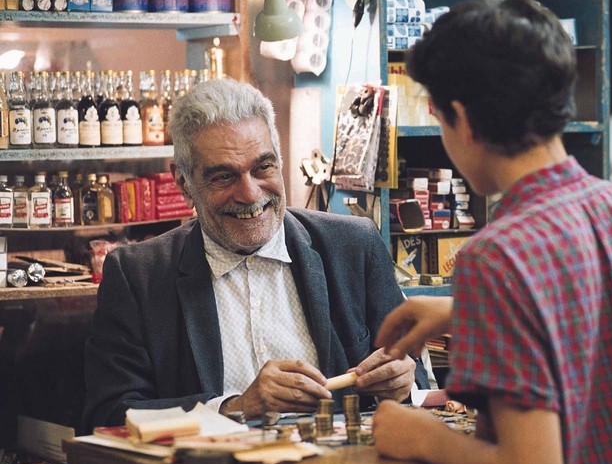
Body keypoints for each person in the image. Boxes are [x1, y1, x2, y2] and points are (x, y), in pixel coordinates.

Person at [368, 0, 612, 464]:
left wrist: (420, 434)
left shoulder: (496, 255)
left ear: (464, 119)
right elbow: (586, 314)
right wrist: (460, 313)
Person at [83, 78, 432, 432]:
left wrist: (401, 385)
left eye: (263, 168)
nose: (249, 194)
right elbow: (108, 414)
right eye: (223, 177)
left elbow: (414, 379)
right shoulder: (138, 275)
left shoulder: (354, 246)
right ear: (184, 183)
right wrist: (235, 407)